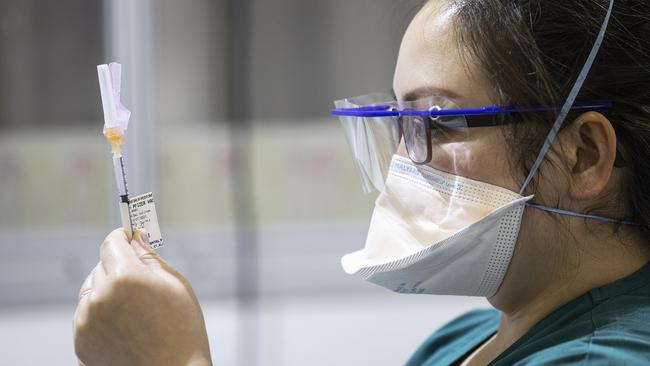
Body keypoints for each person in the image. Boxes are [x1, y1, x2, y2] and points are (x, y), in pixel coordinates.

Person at [74, 0, 650, 365]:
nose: (405, 160)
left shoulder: (605, 357)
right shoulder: (464, 339)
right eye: (401, 125)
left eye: (439, 122)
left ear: (584, 156)